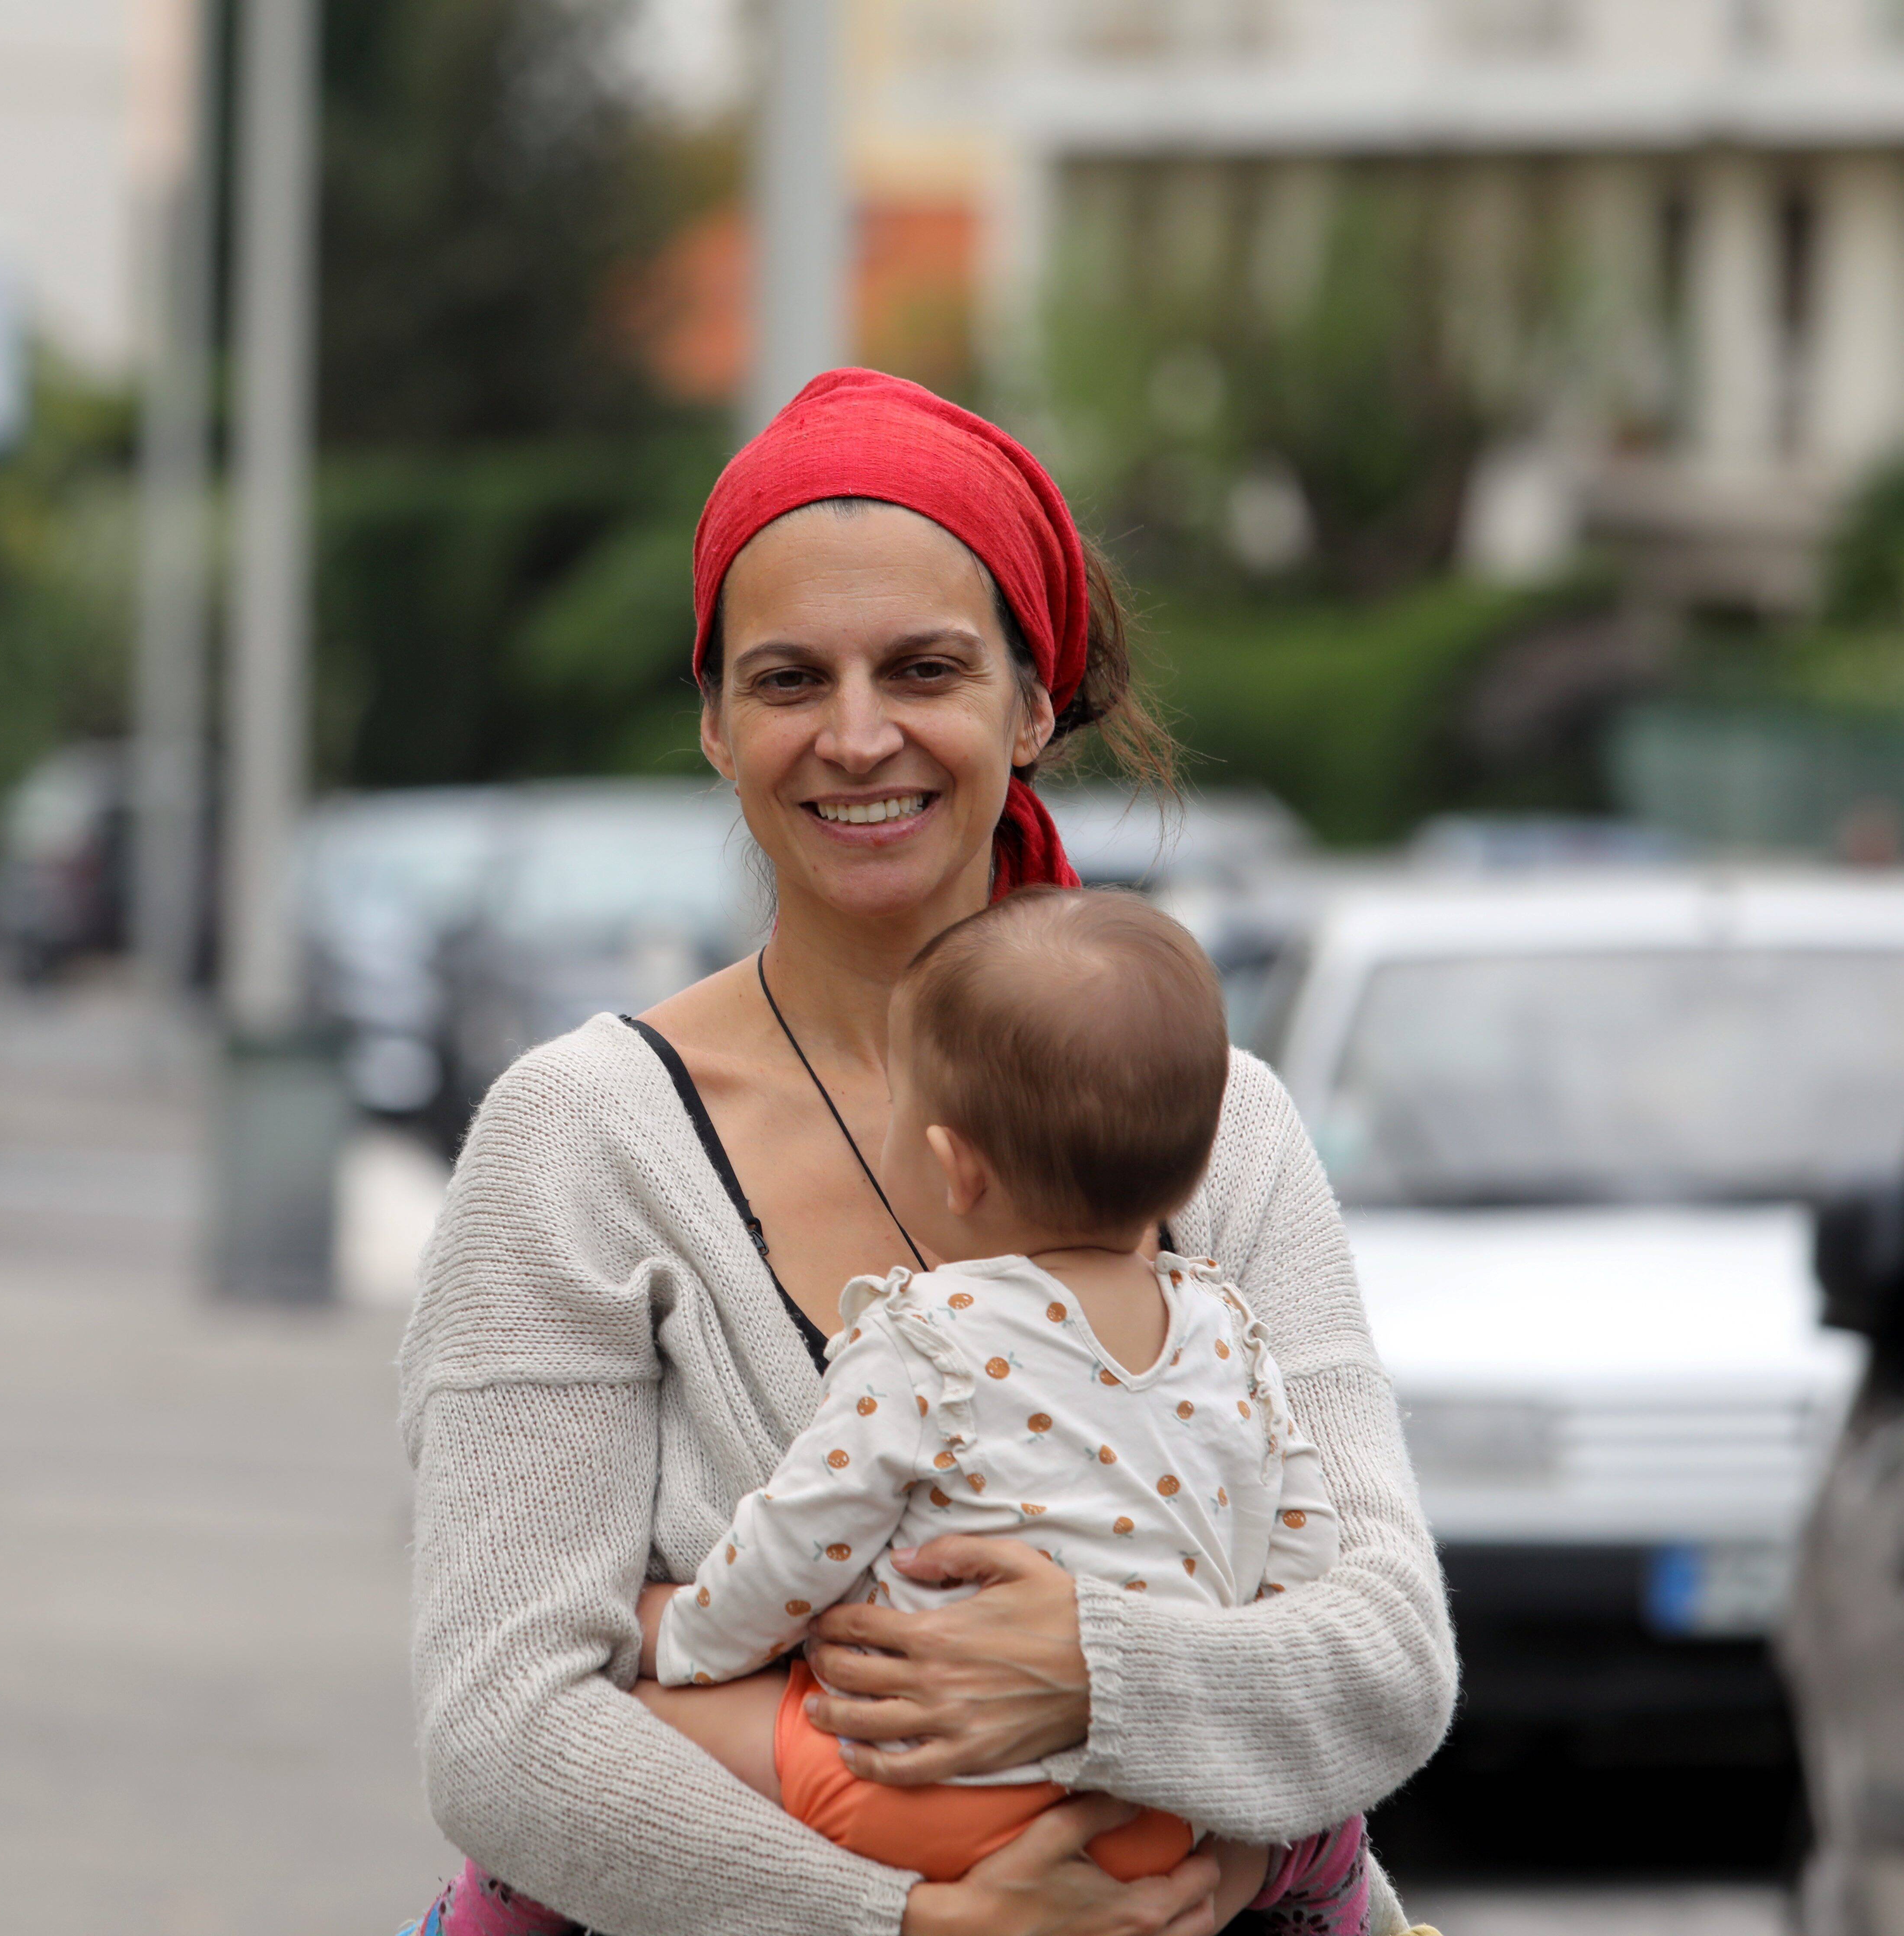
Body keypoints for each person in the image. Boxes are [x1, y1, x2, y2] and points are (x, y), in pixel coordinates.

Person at [400, 369, 1454, 1936]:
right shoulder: (585, 1137)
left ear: (1034, 702)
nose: (857, 733)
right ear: (713, 724)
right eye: (785, 680)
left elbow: (1391, 1660)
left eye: (924, 667)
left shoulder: (1219, 1125)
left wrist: (1093, 1669)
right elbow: (503, 1725)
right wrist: (911, 1924)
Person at [625, 888, 1361, 1935]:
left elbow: (806, 1535)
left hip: (935, 1799)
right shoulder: (1229, 1332)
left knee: (658, 1715)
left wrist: (688, 1633)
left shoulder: (928, 1335)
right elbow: (1306, 1551)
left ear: (955, 1167)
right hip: (1158, 1816)